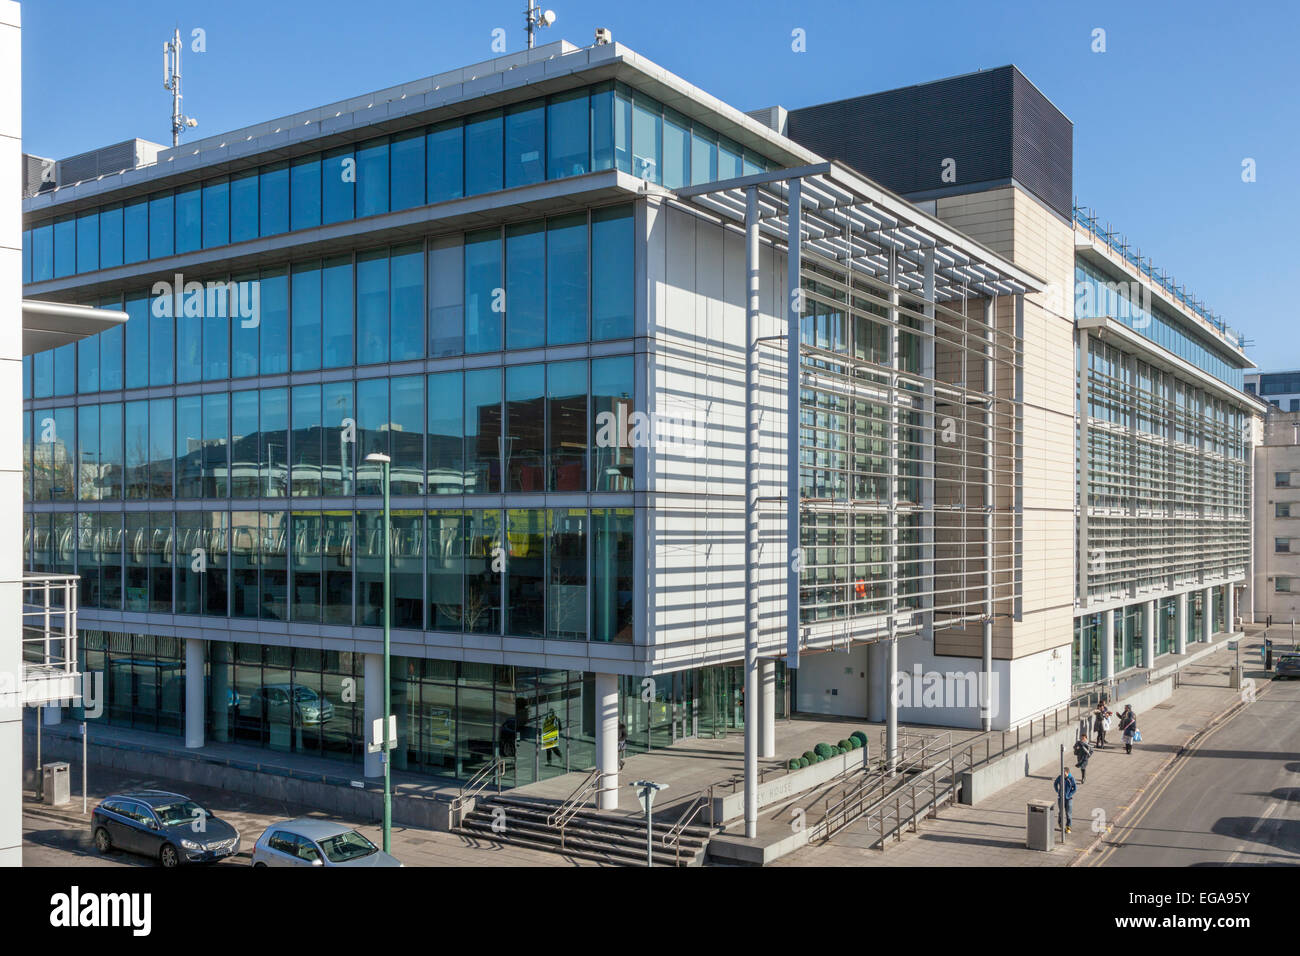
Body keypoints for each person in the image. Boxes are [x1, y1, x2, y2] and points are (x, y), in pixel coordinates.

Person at [1053, 768, 1078, 833]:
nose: (1062, 774)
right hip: (1060, 798)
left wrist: (1069, 795)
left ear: (1067, 773)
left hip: (1068, 799)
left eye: (1064, 773)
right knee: (1061, 812)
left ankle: (1068, 827)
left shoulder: (1071, 779)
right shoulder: (1060, 777)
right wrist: (1057, 791)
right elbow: (1055, 783)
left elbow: (1075, 788)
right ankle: (1060, 824)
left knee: (1068, 814)